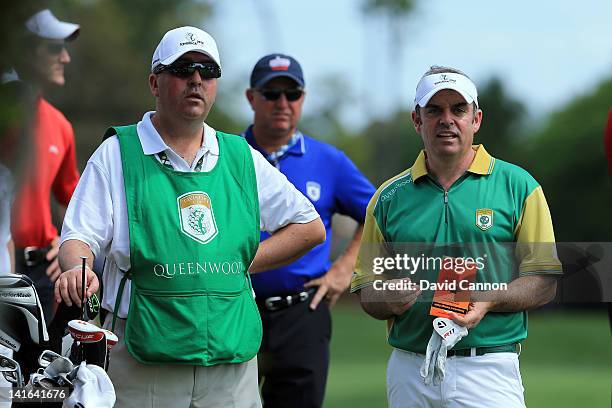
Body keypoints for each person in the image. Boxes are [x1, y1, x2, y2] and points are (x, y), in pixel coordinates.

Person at [55, 26, 325, 408]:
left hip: (230, 364)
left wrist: (232, 263)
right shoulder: (117, 152)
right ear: (155, 81)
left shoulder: (240, 155)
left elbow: (309, 227)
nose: (196, 80)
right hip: (141, 355)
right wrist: (77, 270)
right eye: (183, 69)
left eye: (207, 71)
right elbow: (79, 238)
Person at [351, 66, 562, 407]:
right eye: (434, 110)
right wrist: (386, 296)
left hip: (488, 367)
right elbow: (367, 291)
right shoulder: (387, 197)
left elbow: (543, 281)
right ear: (417, 121)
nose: (446, 119)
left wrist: (489, 298)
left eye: (458, 109)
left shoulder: (519, 186)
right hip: (410, 368)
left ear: (476, 119)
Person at [243, 54, 375, 407]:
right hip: (234, 307)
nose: (283, 103)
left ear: (303, 98)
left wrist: (345, 269)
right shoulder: (226, 155)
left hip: (302, 313)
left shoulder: (329, 160)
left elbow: (381, 214)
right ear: (251, 98)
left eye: (293, 93)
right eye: (272, 93)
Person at [10, 9, 80, 323]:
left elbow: (77, 205)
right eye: (54, 47)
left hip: (41, 273)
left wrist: (63, 243)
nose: (65, 57)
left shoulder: (60, 125)